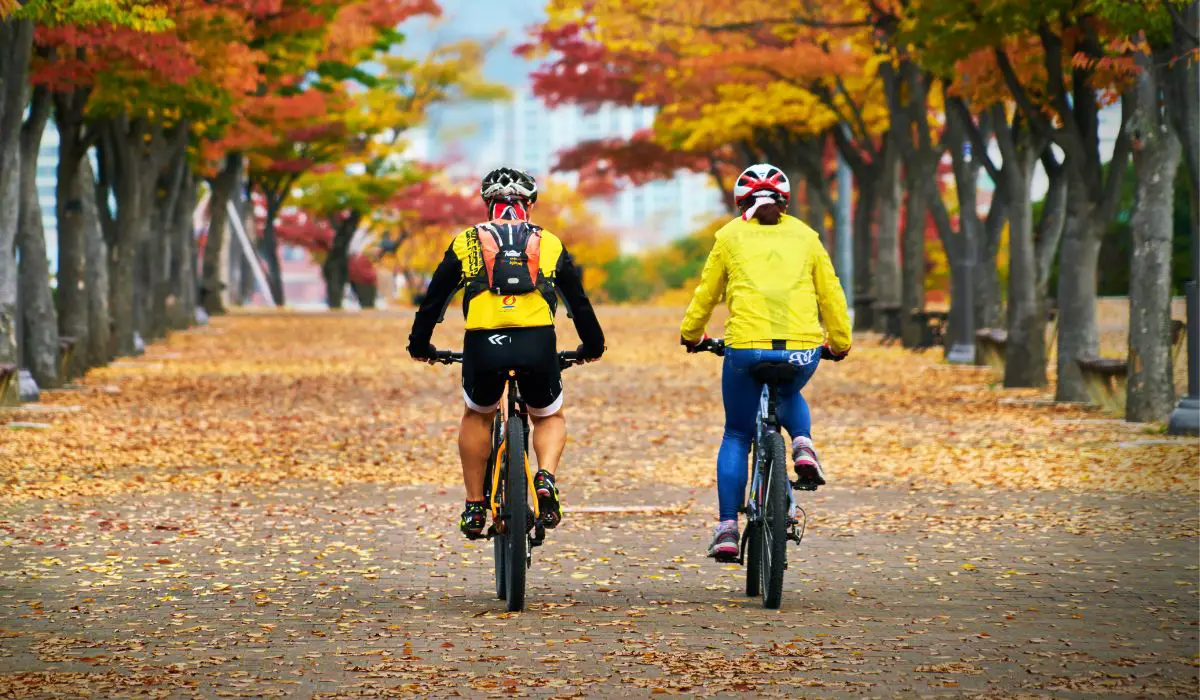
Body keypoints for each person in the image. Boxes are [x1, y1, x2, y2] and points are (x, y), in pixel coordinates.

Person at [407, 167, 606, 538]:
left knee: (477, 414)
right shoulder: (550, 242)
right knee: (549, 416)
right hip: (537, 342)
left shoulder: (466, 241)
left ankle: (473, 505)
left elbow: (433, 302)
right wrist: (592, 347)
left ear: (488, 206)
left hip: (484, 344)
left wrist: (420, 346)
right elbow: (578, 303)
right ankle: (544, 477)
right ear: (530, 205)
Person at [679, 163, 851, 561]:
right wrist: (838, 342)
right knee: (788, 388)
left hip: (746, 348)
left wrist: (692, 335)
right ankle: (803, 444)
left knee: (738, 434)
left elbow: (707, 293)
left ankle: (726, 528)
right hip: (802, 347)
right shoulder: (807, 237)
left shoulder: (729, 236)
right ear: (784, 201)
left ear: (741, 201)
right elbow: (831, 293)